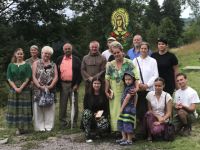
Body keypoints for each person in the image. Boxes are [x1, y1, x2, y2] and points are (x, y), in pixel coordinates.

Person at [105, 41, 139, 132]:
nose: (116, 54)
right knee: (116, 111)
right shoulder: (110, 64)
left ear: (122, 51)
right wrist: (106, 90)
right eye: (114, 53)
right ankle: (118, 131)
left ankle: (129, 132)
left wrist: (137, 88)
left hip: (128, 91)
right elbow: (107, 78)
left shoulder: (129, 63)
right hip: (115, 91)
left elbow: (136, 77)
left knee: (127, 111)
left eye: (118, 52)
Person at [132, 42, 158, 136]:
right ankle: (141, 131)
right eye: (142, 48)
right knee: (139, 110)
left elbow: (155, 75)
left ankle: (149, 131)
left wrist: (147, 85)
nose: (143, 50)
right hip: (138, 89)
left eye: (145, 48)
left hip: (149, 89)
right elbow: (133, 74)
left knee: (148, 110)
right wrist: (139, 84)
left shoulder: (153, 61)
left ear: (148, 50)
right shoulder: (135, 61)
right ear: (139, 50)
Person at [6, 48, 32, 135]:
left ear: (23, 55)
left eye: (21, 54)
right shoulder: (11, 65)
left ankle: (25, 128)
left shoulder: (27, 65)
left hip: (25, 89)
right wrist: (15, 88)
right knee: (16, 109)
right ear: (15, 55)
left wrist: (21, 87)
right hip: (13, 90)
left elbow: (28, 77)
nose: (20, 55)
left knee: (24, 108)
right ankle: (18, 128)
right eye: (18, 54)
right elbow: (9, 78)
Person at [32, 46, 58, 131]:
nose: (47, 55)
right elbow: (33, 76)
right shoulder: (36, 63)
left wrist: (50, 86)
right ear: (42, 53)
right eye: (45, 53)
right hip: (38, 89)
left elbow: (56, 77)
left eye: (49, 54)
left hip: (50, 89)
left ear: (50, 55)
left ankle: (48, 126)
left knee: (49, 107)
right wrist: (39, 86)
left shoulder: (53, 64)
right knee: (38, 107)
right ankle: (40, 127)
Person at [56, 43, 82, 128]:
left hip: (73, 85)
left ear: (72, 49)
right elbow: (56, 72)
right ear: (63, 50)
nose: (67, 50)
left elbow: (80, 73)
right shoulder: (59, 59)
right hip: (63, 85)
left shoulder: (77, 59)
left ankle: (73, 122)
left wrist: (77, 84)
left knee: (74, 104)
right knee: (63, 105)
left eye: (69, 48)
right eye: (66, 49)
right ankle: (63, 122)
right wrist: (58, 85)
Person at [82, 78, 109, 143]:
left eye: (98, 83)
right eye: (95, 83)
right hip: (90, 115)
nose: (96, 85)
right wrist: (94, 113)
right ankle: (87, 135)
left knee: (104, 124)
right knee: (86, 113)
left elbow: (106, 109)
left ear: (101, 84)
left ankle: (97, 133)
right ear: (92, 84)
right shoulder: (88, 94)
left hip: (100, 115)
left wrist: (101, 115)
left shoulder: (104, 94)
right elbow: (85, 107)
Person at [144, 77, 172, 141]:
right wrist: (157, 116)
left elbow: (169, 113)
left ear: (163, 86)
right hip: (152, 117)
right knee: (148, 114)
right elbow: (150, 110)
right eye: (155, 86)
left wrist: (160, 121)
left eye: (159, 86)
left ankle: (159, 132)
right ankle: (149, 135)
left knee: (156, 130)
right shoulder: (149, 94)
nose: (157, 87)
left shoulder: (167, 96)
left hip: (163, 118)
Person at [116, 71, 137, 146]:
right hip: (125, 109)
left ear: (133, 80)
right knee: (121, 122)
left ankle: (129, 140)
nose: (127, 81)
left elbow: (127, 98)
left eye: (129, 79)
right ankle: (123, 138)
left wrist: (121, 108)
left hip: (128, 109)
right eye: (126, 79)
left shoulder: (132, 88)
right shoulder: (126, 87)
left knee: (127, 123)